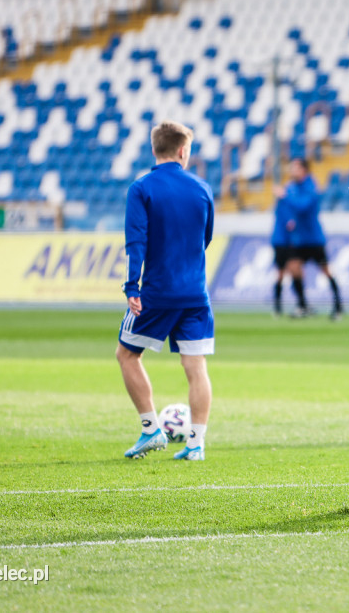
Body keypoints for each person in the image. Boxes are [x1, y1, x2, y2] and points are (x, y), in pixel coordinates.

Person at [116, 120, 215, 461]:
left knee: (126, 354)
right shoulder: (202, 189)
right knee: (196, 366)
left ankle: (150, 429)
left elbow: (136, 242)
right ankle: (196, 444)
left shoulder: (141, 188)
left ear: (154, 148)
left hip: (157, 292)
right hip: (195, 293)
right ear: (183, 151)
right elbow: (206, 238)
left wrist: (132, 285)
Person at [274, 159, 344, 320]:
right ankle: (302, 305)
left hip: (314, 239)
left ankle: (338, 306)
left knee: (326, 271)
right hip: (299, 240)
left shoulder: (311, 186)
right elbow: (287, 209)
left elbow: (302, 206)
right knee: (293, 268)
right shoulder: (291, 188)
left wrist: (284, 196)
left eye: (295, 168)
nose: (292, 171)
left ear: (304, 170)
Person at [270, 188, 298, 316]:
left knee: (287, 273)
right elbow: (290, 225)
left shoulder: (282, 205)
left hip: (282, 242)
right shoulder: (284, 205)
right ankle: (279, 304)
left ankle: (279, 305)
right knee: (288, 273)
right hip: (284, 243)